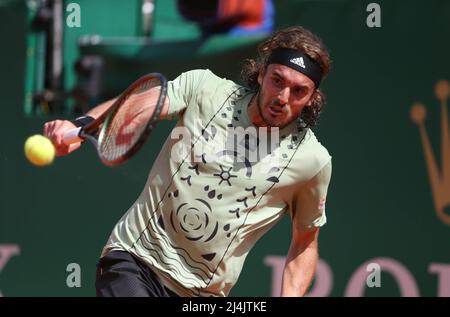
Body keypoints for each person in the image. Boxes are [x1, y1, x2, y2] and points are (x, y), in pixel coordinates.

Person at [44, 26, 332, 297]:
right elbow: (135, 106)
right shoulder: (205, 88)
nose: (282, 97)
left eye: (298, 91)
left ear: (310, 98)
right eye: (277, 80)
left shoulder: (311, 161)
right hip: (136, 257)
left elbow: (305, 242)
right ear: (261, 74)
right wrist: (84, 127)